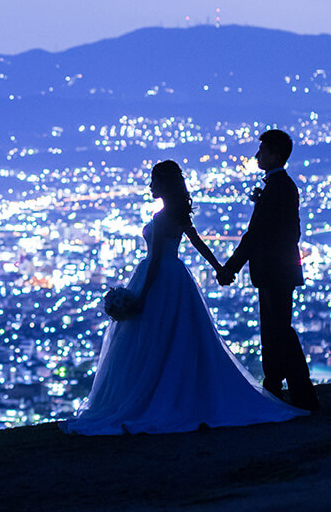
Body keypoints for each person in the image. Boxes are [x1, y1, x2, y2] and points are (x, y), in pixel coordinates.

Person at [64, 160, 304, 435]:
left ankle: (152, 395)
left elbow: (154, 262)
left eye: (154, 181)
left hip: (157, 279)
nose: (150, 186)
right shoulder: (179, 215)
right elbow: (198, 243)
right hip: (177, 278)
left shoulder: (160, 218)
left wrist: (141, 295)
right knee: (180, 336)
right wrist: (220, 268)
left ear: (163, 184)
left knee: (151, 338)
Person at [218, 129, 320, 412]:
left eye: (261, 150)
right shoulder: (282, 187)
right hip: (279, 271)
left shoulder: (278, 189)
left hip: (273, 271)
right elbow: (291, 230)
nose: (257, 155)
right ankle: (278, 387)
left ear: (274, 154)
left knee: (279, 332)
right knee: (276, 331)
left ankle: (299, 391)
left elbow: (254, 235)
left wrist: (231, 268)